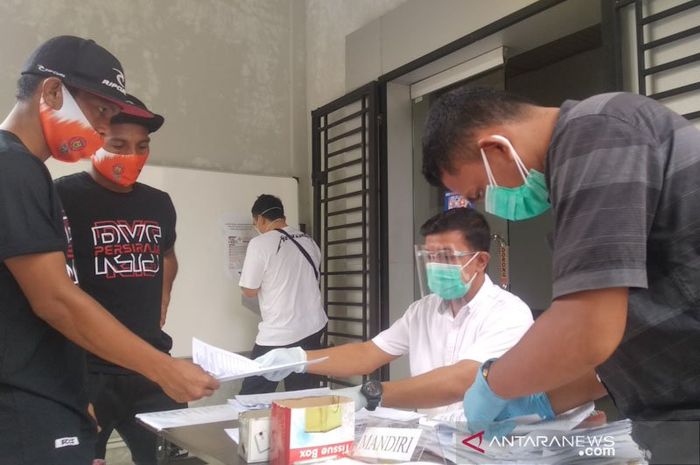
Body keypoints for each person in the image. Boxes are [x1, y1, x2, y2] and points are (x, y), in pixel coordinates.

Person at [422, 87, 700, 458]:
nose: (492, 203)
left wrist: (492, 384)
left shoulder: (596, 132)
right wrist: (539, 400)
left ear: (496, 149)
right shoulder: (591, 147)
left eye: (481, 190)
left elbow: (586, 328)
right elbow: (624, 329)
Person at [0, 35, 218, 465]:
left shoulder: (28, 170)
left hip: (53, 393)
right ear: (51, 91)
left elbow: (164, 263)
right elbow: (56, 299)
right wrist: (164, 368)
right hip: (25, 403)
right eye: (100, 111)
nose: (103, 128)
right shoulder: (12, 168)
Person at [251, 208, 534, 416]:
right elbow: (368, 354)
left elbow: (463, 380)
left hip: (486, 445)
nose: (435, 266)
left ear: (480, 261)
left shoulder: (509, 314)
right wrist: (298, 359)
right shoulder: (422, 311)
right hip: (432, 442)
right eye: (429, 257)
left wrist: (372, 394)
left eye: (446, 257)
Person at [54, 96, 184, 465]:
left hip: (152, 364)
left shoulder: (159, 203)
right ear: (95, 138)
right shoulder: (62, 197)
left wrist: (163, 294)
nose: (133, 156)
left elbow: (168, 255)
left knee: (173, 459)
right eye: (119, 145)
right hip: (87, 371)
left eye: (142, 147)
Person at [238, 194, 328, 394]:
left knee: (251, 396)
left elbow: (249, 291)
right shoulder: (309, 241)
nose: (257, 228)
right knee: (302, 396)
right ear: (282, 216)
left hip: (279, 332)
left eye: (256, 223)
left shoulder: (260, 244)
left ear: (261, 219)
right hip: (312, 328)